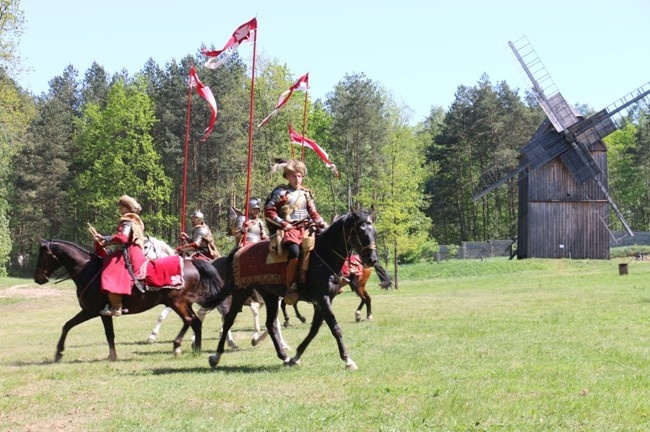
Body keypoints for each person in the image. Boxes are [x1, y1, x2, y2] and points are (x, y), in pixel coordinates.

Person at [264, 159, 326, 305]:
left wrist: (321, 221)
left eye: (299, 176)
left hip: (306, 227)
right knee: (295, 252)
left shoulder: (306, 194)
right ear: (287, 177)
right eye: (293, 176)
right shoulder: (280, 192)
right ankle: (291, 286)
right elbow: (269, 211)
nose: (297, 179)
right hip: (289, 229)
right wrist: (283, 223)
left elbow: (313, 212)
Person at [94, 195, 146, 317]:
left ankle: (116, 307)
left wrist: (105, 238)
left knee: (110, 271)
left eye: (122, 206)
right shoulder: (133, 220)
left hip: (130, 252)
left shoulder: (128, 220)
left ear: (127, 207)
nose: (120, 209)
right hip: (132, 250)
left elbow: (123, 238)